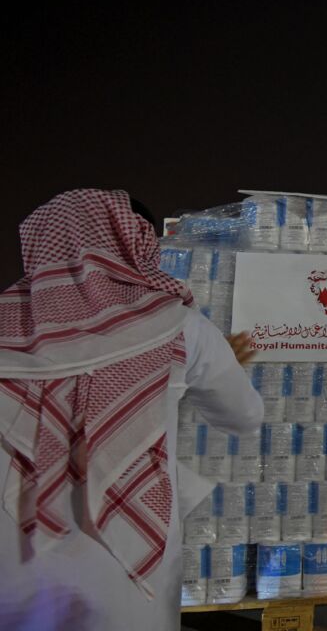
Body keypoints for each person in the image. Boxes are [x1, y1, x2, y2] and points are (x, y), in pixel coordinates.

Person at [0, 189, 264, 630]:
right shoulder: (180, 327)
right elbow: (243, 415)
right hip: (121, 559)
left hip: (15, 556)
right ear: (135, 242)